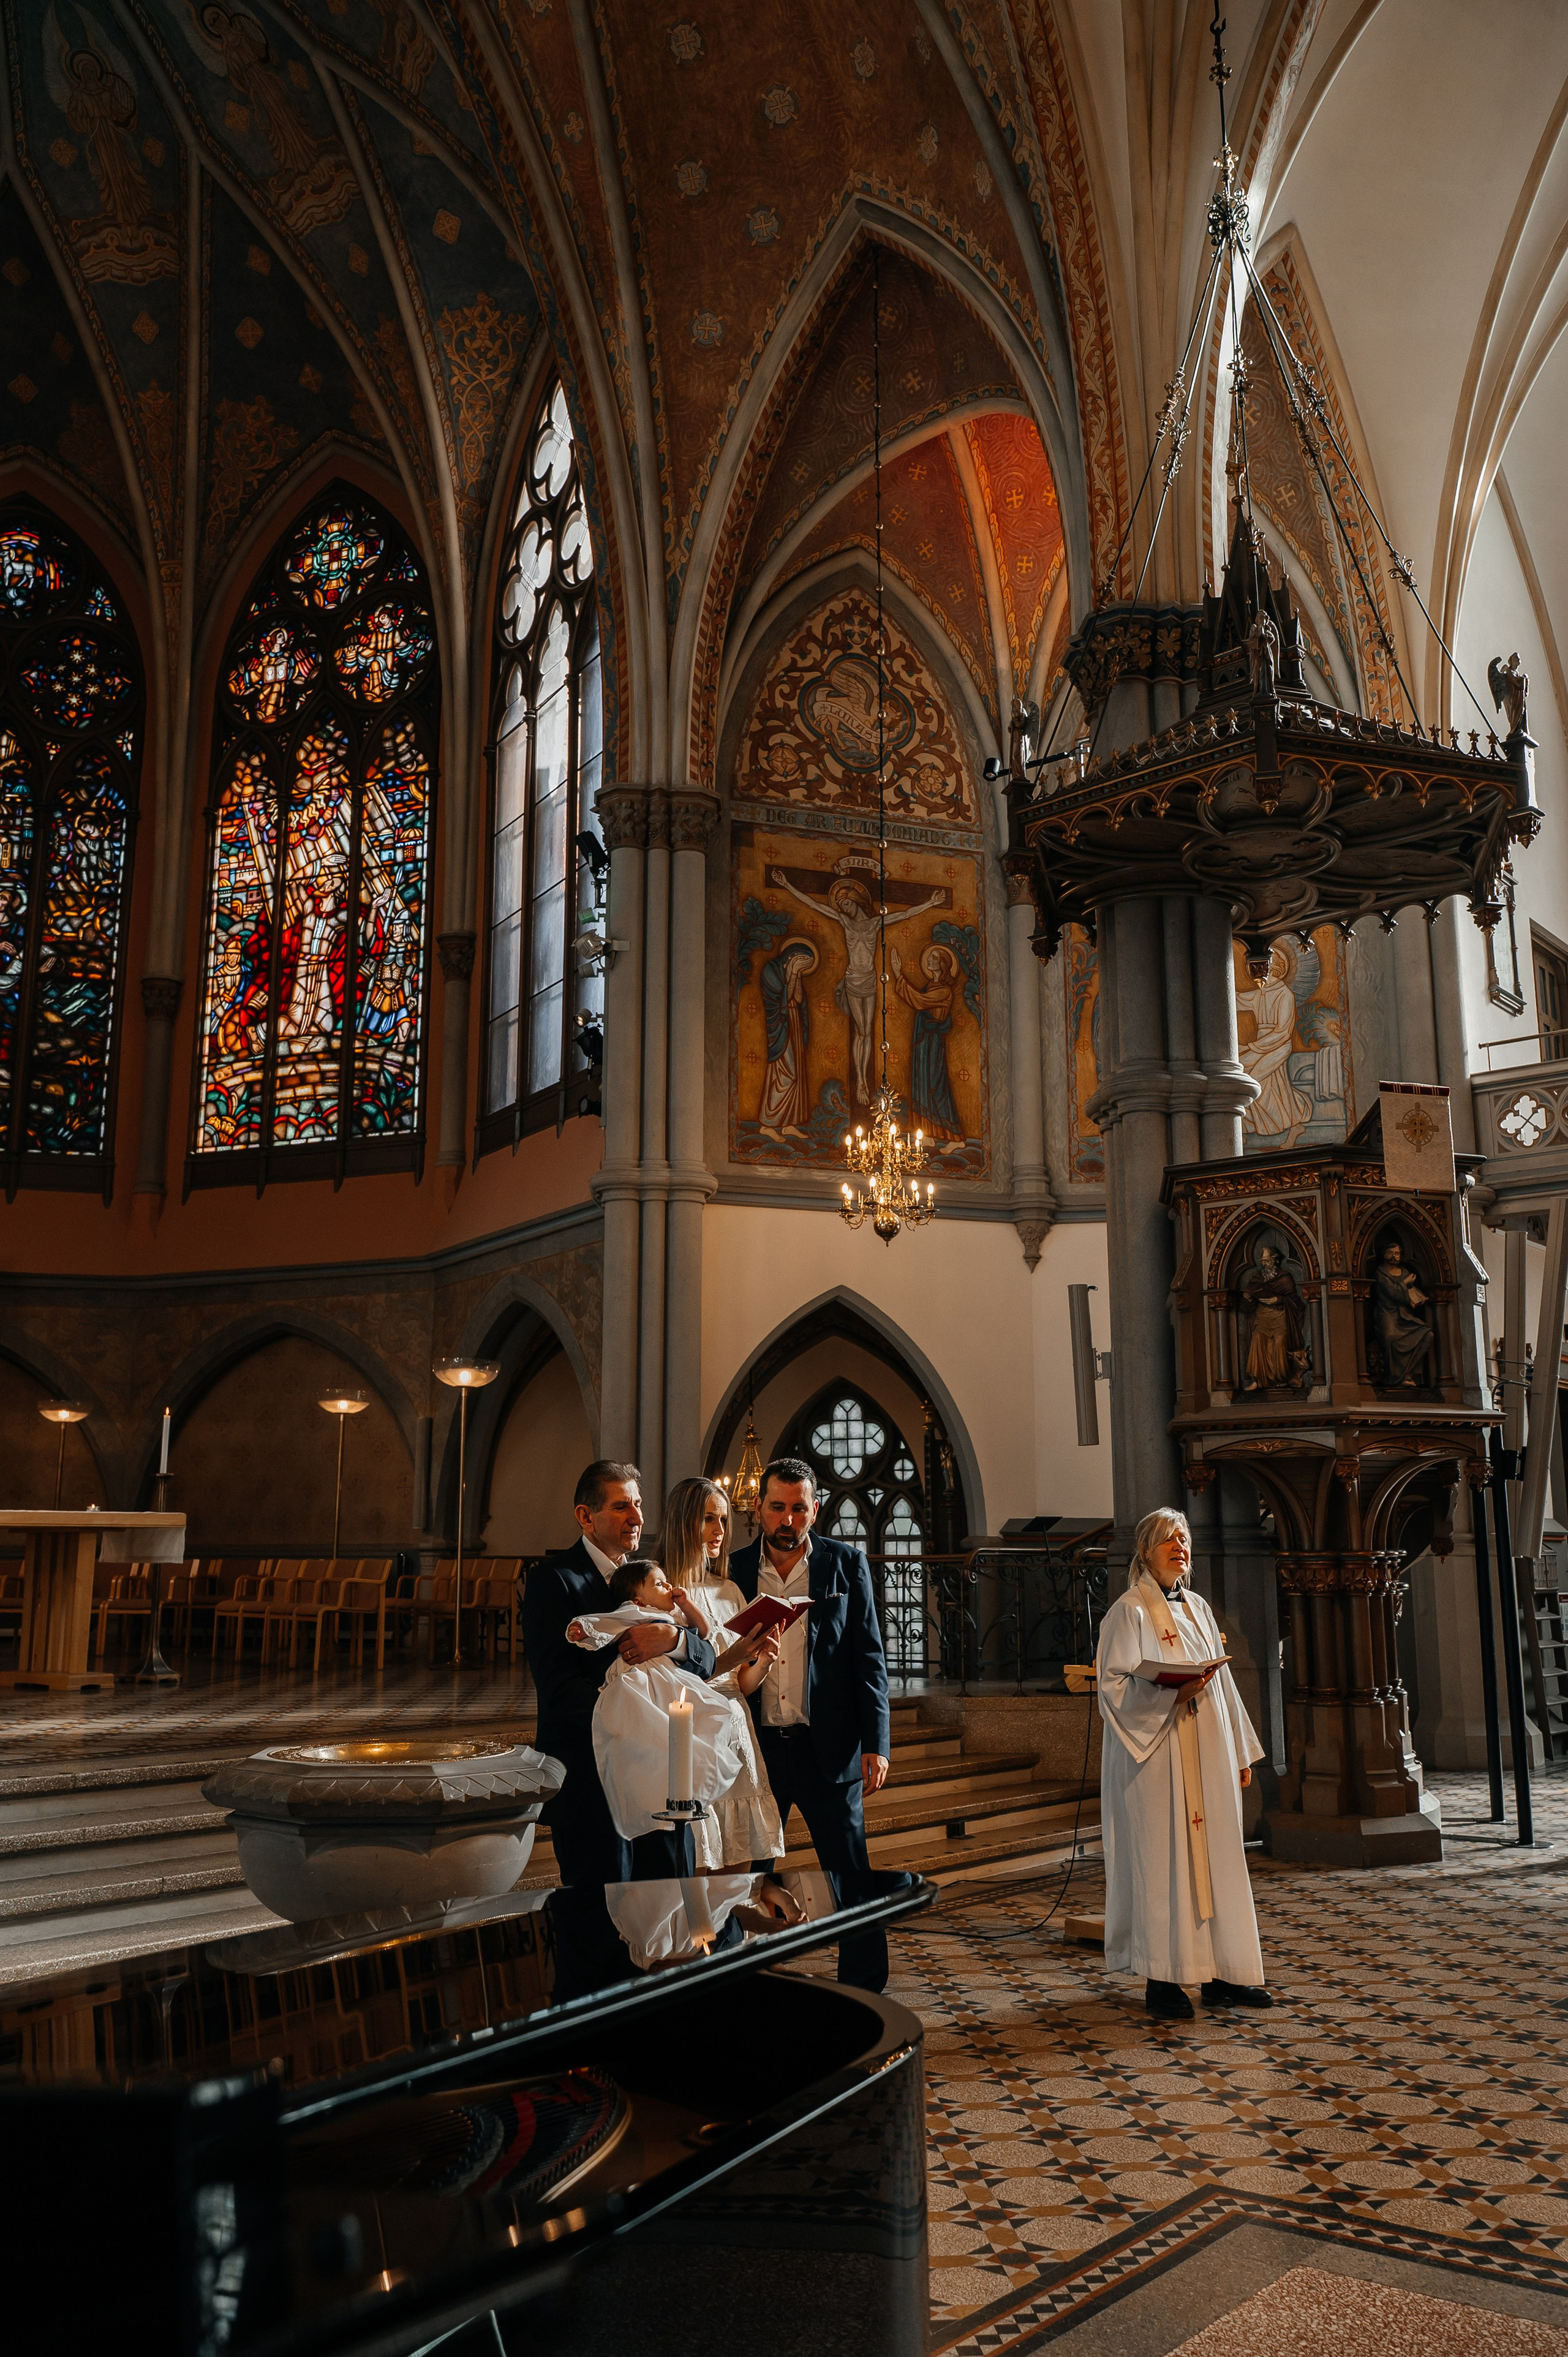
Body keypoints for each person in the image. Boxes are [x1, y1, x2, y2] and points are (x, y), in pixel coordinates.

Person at [1095, 1508, 1271, 2020]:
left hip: (1207, 1752)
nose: (1181, 1547)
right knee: (1163, 1861)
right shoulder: (1128, 1612)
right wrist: (1169, 1695)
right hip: (1158, 1760)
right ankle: (1163, 1978)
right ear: (1146, 1551)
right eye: (1169, 1540)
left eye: (1186, 1539)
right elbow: (1114, 1688)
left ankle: (1224, 1975)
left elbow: (1224, 1683)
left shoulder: (1197, 1607)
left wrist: (1239, 1751)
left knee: (1218, 1860)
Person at [728, 1457, 892, 1991]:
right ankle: (737, 1987)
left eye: (799, 1508)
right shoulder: (731, 1572)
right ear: (759, 1508)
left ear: (815, 1511)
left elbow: (869, 1658)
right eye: (777, 1507)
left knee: (852, 1881)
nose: (788, 1519)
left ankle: (866, 1995)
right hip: (754, 1754)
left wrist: (877, 1743)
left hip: (830, 1749)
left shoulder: (846, 1563)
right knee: (745, 1879)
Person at [520, 1460, 715, 1884]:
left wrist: (674, 1642)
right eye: (622, 1506)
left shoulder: (651, 1577)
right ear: (585, 1517)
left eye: (639, 1504)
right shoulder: (553, 1582)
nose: (637, 1517)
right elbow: (557, 1686)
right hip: (593, 1781)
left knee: (668, 1904)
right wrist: (635, 1718)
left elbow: (708, 1655)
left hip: (663, 1777)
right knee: (600, 1917)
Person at [658, 1477, 784, 1867]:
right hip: (693, 1732)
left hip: (736, 1727)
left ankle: (733, 1927)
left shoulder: (729, 1590)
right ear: (683, 1523)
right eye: (709, 1519)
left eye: (724, 1520)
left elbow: (740, 1684)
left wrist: (762, 1659)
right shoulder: (664, 1590)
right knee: (699, 1857)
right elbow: (668, 1681)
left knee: (740, 1860)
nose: (720, 1531)